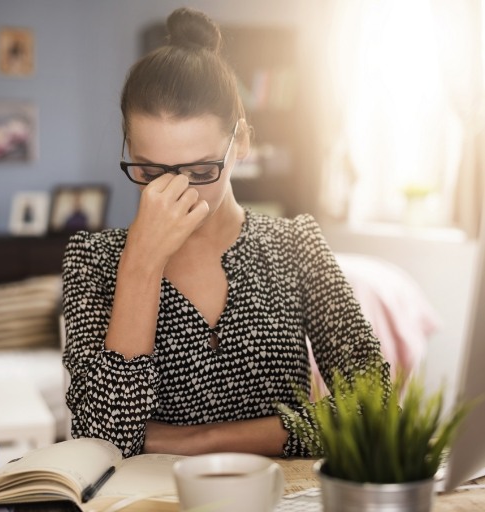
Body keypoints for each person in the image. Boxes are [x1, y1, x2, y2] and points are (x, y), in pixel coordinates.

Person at [62, 7, 391, 459]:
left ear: (242, 143)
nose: (175, 188)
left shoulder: (296, 245)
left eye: (201, 169)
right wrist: (141, 264)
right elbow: (100, 439)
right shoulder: (93, 258)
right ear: (129, 150)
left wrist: (200, 440)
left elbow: (373, 405)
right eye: (150, 169)